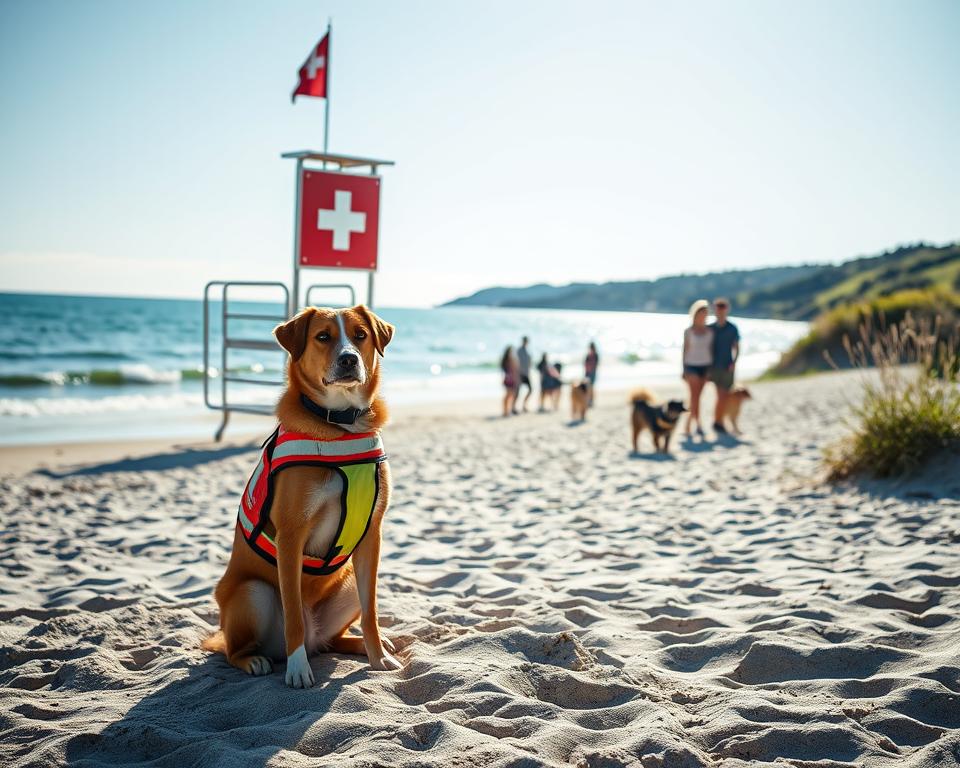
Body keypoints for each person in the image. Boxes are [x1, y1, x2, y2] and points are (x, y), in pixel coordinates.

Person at [682, 299, 713, 438]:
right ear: (696, 314)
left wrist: (710, 370)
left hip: (705, 366)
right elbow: (685, 350)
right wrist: (683, 369)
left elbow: (711, 351)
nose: (703, 316)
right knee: (694, 397)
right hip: (691, 366)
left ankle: (689, 423)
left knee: (697, 398)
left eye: (706, 313)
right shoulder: (688, 331)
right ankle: (697, 424)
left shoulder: (710, 331)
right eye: (701, 313)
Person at [708, 298, 740, 434]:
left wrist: (734, 362)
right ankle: (718, 422)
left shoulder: (732, 328)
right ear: (714, 310)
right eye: (718, 308)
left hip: (727, 366)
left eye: (723, 307)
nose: (720, 311)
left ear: (727, 309)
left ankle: (718, 421)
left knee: (723, 396)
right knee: (720, 396)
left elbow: (736, 347)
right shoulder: (710, 328)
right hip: (713, 367)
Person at [501, 346, 519, 417]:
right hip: (510, 379)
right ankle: (506, 411)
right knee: (509, 395)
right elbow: (514, 369)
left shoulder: (506, 359)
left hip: (508, 378)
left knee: (510, 395)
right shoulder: (509, 359)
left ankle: (507, 410)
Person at [517, 336, 533, 413]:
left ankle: (524, 405)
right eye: (525, 341)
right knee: (517, 391)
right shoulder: (519, 351)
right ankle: (513, 407)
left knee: (530, 390)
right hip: (520, 374)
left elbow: (529, 364)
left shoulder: (527, 351)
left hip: (526, 374)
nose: (526, 342)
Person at [584, 342, 599, 406]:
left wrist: (589, 369)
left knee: (590, 387)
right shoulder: (591, 355)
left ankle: (590, 401)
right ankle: (589, 401)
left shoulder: (594, 355)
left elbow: (594, 364)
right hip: (589, 372)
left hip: (591, 373)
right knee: (589, 387)